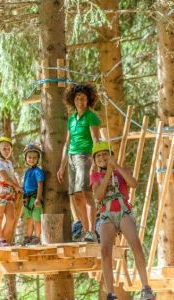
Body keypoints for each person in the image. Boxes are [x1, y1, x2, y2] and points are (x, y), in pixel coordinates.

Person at [90, 141, 155, 300]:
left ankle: (146, 288)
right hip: (106, 215)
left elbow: (133, 184)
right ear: (95, 160)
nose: (102, 157)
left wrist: (116, 167)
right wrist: (107, 174)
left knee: (135, 244)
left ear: (111, 155)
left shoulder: (122, 171)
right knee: (105, 250)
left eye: (105, 154)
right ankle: (111, 294)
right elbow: (98, 196)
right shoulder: (95, 176)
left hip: (123, 211)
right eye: (98, 156)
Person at [57, 84, 100, 242]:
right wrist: (62, 166)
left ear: (88, 100)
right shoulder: (72, 119)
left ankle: (92, 231)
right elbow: (67, 144)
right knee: (76, 196)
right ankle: (85, 229)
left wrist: (94, 161)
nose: (80, 101)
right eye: (77, 98)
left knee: (87, 194)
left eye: (83, 98)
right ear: (72, 100)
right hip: (72, 159)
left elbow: (96, 139)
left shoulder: (91, 117)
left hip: (85, 157)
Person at [0, 136, 22, 247]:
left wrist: (19, 188)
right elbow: (6, 178)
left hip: (9, 191)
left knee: (11, 218)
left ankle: (2, 240)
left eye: (9, 149)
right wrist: (16, 187)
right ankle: (0, 239)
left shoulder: (9, 163)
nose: (7, 151)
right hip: (0, 191)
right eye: (4, 149)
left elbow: (13, 177)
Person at [22, 143, 45, 246]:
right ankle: (29, 236)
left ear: (38, 159)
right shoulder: (27, 172)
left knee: (36, 218)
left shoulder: (38, 171)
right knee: (29, 219)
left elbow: (40, 184)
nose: (32, 159)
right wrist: (24, 198)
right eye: (29, 157)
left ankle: (38, 237)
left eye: (34, 158)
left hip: (35, 198)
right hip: (27, 199)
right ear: (26, 158)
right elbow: (25, 185)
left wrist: (38, 198)